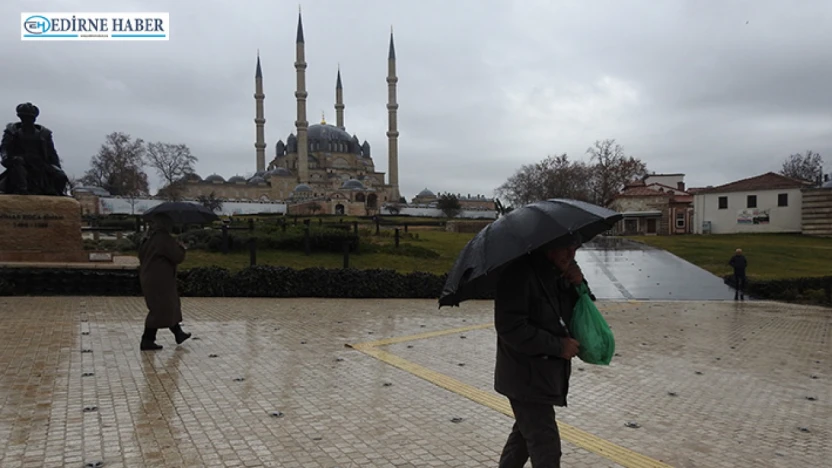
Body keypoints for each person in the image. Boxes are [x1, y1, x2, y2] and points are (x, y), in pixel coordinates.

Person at [494, 233, 587, 467]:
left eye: (574, 247)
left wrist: (579, 286)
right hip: (524, 376)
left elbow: (574, 316)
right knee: (546, 445)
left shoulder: (557, 274)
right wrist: (558, 346)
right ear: (548, 246)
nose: (571, 254)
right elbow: (510, 327)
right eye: (566, 248)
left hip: (545, 375)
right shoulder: (518, 275)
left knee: (524, 439)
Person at [138, 213, 192, 351]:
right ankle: (147, 340)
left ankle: (178, 333)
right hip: (160, 280)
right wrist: (182, 248)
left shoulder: (149, 238)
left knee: (167, 306)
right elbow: (177, 256)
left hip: (150, 277)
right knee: (162, 308)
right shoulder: (163, 239)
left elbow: (142, 255)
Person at [0, 102, 69, 196]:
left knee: (61, 176)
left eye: (29, 118)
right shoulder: (12, 132)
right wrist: (6, 158)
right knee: (18, 166)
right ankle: (22, 190)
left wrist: (57, 167)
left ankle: (59, 193)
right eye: (23, 118)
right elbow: (4, 148)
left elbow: (52, 153)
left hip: (40, 163)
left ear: (34, 119)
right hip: (20, 162)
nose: (26, 120)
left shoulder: (44, 134)